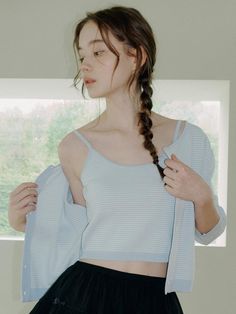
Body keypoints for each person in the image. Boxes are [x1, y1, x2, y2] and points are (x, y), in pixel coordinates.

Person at [8, 5, 226, 314]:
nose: (85, 65)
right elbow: (72, 233)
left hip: (156, 300)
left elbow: (210, 232)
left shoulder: (189, 139)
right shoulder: (74, 146)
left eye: (98, 53)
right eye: (82, 56)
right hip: (85, 294)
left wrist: (202, 195)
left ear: (137, 56)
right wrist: (23, 222)